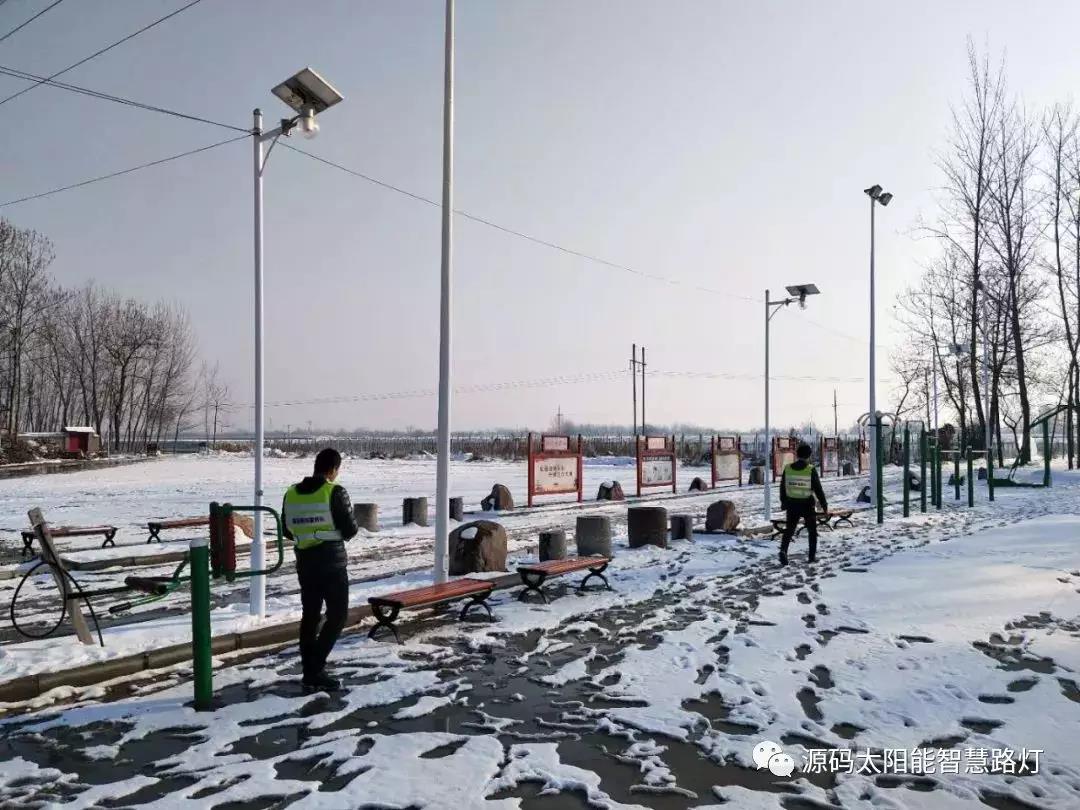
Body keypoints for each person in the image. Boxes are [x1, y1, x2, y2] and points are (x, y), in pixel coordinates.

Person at [282, 447, 359, 692]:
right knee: (337, 615)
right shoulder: (334, 492)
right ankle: (315, 668)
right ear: (333, 469)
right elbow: (350, 529)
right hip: (331, 563)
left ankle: (310, 670)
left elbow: (286, 529)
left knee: (311, 616)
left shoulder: (291, 493)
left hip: (305, 562)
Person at [779, 442, 828, 566]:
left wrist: (783, 502)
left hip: (792, 504)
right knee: (812, 531)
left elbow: (782, 487)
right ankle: (811, 557)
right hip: (807, 505)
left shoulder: (788, 468)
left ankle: (783, 550)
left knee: (789, 529)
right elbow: (818, 489)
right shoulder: (810, 469)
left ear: (797, 455)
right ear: (809, 456)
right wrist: (824, 504)